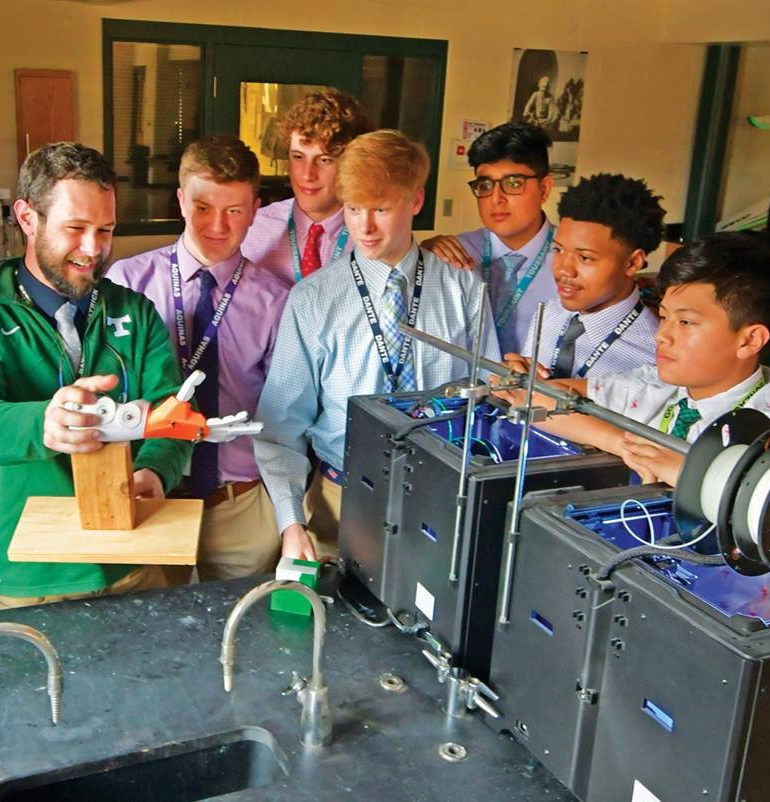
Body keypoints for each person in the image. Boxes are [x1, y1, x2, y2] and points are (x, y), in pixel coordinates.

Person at [0, 143, 191, 611]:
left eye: (106, 229)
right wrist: (45, 425)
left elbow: (170, 409)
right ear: (27, 218)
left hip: (131, 565)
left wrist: (156, 468)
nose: (93, 248)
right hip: (25, 578)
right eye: (75, 228)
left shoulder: (134, 312)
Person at [501, 232, 770, 564]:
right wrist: (624, 444)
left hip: (724, 606)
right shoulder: (657, 385)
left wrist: (694, 475)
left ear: (750, 340)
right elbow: (536, 398)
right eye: (664, 317)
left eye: (686, 323)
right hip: (639, 570)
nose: (663, 337)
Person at [255, 130, 500, 562]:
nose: (363, 227)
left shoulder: (464, 290)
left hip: (441, 500)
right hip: (340, 500)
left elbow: (490, 399)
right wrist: (292, 524)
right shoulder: (313, 300)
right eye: (353, 209)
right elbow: (280, 427)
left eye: (381, 210)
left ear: (416, 201)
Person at [108, 135, 287, 580]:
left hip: (239, 504)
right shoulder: (126, 284)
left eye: (235, 210)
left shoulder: (277, 300)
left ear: (255, 209)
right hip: (147, 499)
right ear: (180, 200)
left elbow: (287, 412)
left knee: (241, 636)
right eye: (203, 207)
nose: (218, 225)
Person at [511, 172, 664, 380]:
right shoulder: (548, 313)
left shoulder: (654, 354)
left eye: (585, 258)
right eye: (559, 250)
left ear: (632, 262)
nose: (564, 270)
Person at [421, 122, 556, 356]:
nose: (496, 198)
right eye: (484, 185)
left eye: (513, 183)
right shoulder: (456, 253)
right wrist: (423, 254)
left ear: (544, 189)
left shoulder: (571, 259)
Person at [241, 87, 372, 286]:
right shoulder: (251, 230)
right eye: (298, 157)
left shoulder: (373, 235)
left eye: (324, 160)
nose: (307, 174)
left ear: (352, 164)